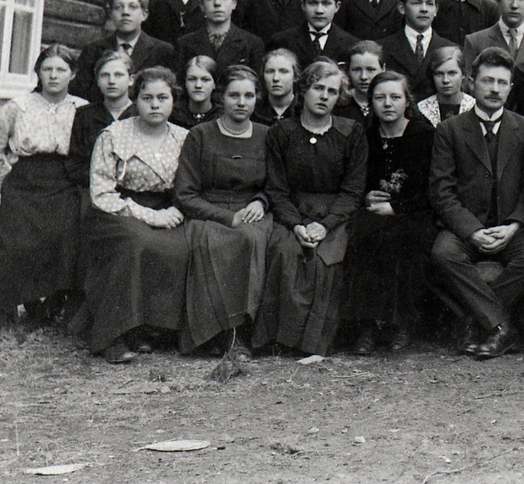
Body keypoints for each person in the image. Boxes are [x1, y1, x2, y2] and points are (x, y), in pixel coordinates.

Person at [428, 47, 524, 360]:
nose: (494, 89)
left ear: (510, 88)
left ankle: (476, 320)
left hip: (511, 227)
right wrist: (471, 231)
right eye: (487, 81)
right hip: (467, 227)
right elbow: (441, 190)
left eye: (502, 83)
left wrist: (515, 225)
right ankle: (501, 327)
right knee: (443, 253)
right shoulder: (449, 129)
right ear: (470, 84)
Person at [72, 67, 189, 363]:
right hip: (117, 210)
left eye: (163, 98)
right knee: (135, 242)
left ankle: (152, 329)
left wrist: (177, 208)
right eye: (147, 97)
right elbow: (101, 192)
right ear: (135, 100)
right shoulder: (114, 135)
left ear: (173, 101)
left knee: (180, 246)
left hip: (169, 208)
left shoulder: (184, 138)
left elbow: (192, 185)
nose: (155, 104)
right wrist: (148, 215)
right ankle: (112, 334)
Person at [253, 61, 367, 356]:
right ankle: (282, 339)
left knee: (325, 261)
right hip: (293, 212)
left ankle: (315, 343)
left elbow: (353, 191)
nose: (324, 96)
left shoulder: (350, 132)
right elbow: (277, 189)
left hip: (335, 215)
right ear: (303, 90)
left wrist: (325, 224)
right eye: (318, 88)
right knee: (285, 252)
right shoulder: (282, 133)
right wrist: (296, 224)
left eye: (332, 91)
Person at [0, 44, 86, 331]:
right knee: (10, 243)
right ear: (38, 72)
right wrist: (6, 178)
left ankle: (49, 307)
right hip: (24, 180)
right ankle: (2, 315)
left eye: (61, 70)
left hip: (65, 180)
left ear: (72, 74)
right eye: (47, 69)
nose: (53, 76)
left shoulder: (82, 109)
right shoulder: (19, 106)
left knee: (63, 238)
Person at [173, 65, 271, 357]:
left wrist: (261, 201)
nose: (242, 103)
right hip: (208, 210)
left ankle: (239, 332)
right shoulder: (200, 135)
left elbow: (278, 185)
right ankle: (210, 332)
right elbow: (185, 193)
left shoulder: (268, 135)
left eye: (249, 96)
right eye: (234, 95)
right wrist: (226, 217)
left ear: (257, 98)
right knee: (210, 241)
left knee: (250, 240)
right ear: (221, 98)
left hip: (252, 210)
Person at [344, 72, 437, 355]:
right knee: (363, 237)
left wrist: (396, 207)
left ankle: (401, 324)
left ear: (408, 101)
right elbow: (353, 177)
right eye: (380, 98)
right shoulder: (365, 136)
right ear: (370, 102)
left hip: (414, 212)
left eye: (395, 97)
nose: (388, 104)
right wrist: (365, 195)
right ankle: (367, 326)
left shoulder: (423, 136)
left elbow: (431, 190)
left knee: (400, 240)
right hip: (372, 212)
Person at [72, 0, 174, 102]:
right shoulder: (93, 50)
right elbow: (81, 94)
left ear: (144, 14)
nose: (125, 12)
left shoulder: (163, 51)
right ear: (110, 14)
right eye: (118, 7)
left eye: (132, 7)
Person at [66, 50, 138, 197]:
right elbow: (75, 164)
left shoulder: (140, 116)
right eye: (105, 75)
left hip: (134, 193)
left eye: (118, 75)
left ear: (131, 79)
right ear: (97, 80)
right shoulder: (85, 115)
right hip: (93, 192)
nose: (111, 81)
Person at [175, 0, 266, 75]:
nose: (217, 3)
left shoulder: (252, 44)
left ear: (234, 3)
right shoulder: (185, 44)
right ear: (201, 5)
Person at [380, 0, 451, 101]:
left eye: (429, 4)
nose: (424, 9)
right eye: (417, 3)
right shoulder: (383, 48)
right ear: (402, 8)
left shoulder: (450, 49)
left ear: (436, 10)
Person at [267, 0, 359, 71]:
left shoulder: (350, 44)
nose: (319, 10)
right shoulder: (283, 41)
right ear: (303, 5)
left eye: (326, 3)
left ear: (337, 6)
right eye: (313, 3)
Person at [417, 46, 475, 126]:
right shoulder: (422, 109)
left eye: (452, 73)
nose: (445, 80)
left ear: (463, 74)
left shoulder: (474, 107)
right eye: (439, 74)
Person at [337, 41, 385, 124]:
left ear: (383, 69)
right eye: (356, 70)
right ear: (348, 71)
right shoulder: (338, 106)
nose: (363, 77)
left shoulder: (390, 104)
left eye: (371, 70)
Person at [253, 48, 300, 126]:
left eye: (283, 72)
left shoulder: (303, 112)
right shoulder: (254, 111)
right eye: (270, 71)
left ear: (295, 76)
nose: (275, 78)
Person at [170, 55, 219, 129]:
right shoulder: (172, 115)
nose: (198, 85)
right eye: (192, 79)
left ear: (214, 84)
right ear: (185, 82)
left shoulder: (222, 117)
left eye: (205, 80)